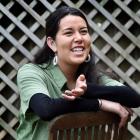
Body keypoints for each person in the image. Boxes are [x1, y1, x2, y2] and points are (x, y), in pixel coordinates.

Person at [16, 6, 140, 140]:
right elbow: (46, 109)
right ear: (52, 44)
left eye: (83, 31)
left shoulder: (95, 76)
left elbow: (133, 98)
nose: (79, 38)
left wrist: (87, 91)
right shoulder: (32, 72)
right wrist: (100, 103)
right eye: (69, 33)